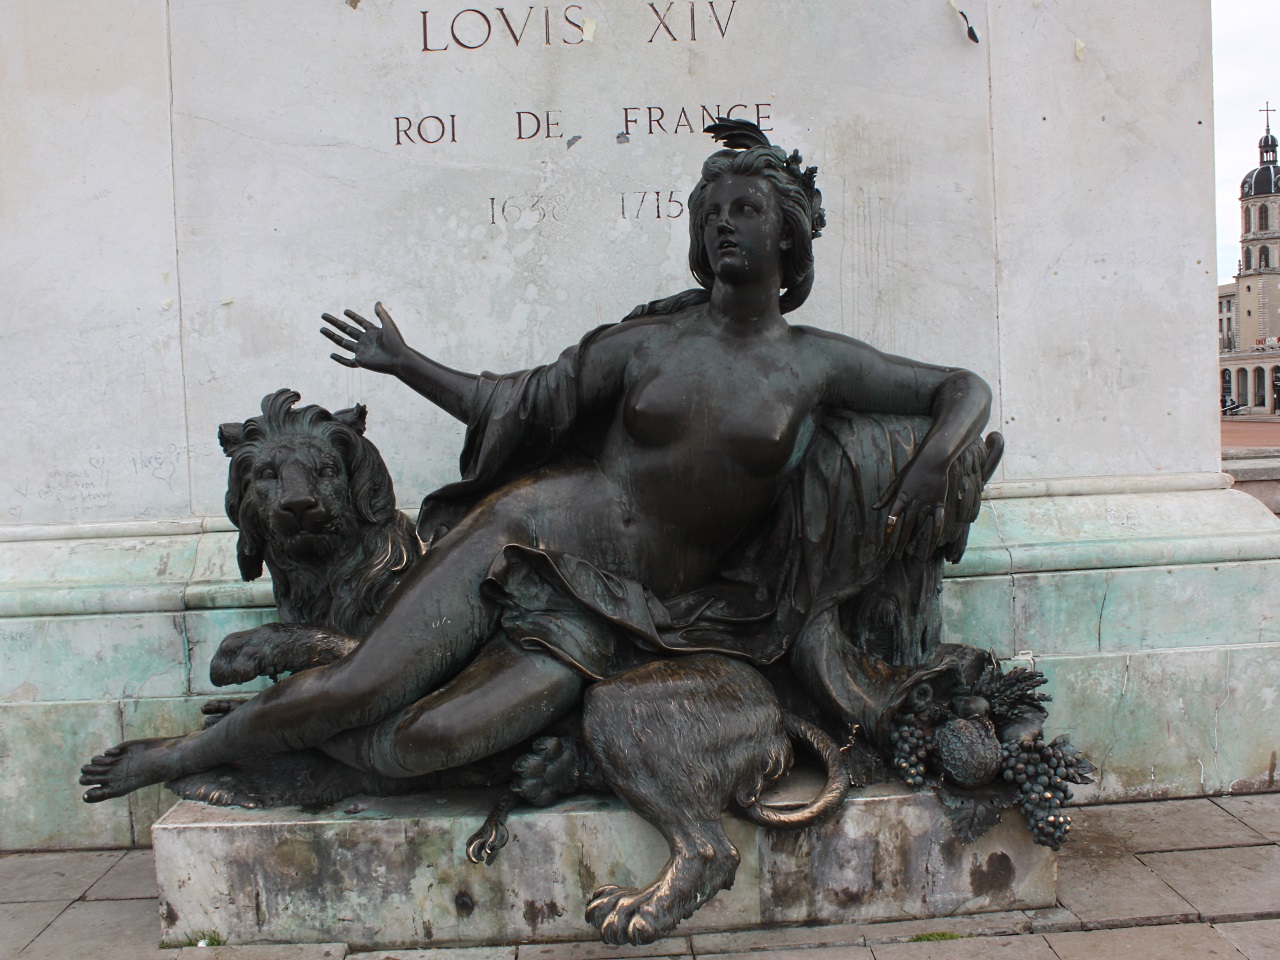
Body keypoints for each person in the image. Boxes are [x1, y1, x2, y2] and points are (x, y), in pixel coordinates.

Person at [81, 122, 992, 802]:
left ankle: (294, 741)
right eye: (709, 212)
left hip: (627, 614)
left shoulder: (817, 363)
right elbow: (513, 401)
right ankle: (185, 756)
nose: (722, 225)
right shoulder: (649, 344)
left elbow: (962, 388)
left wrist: (931, 463)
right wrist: (408, 364)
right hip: (521, 537)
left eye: (743, 210)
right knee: (363, 686)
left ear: (788, 235)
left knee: (424, 738)